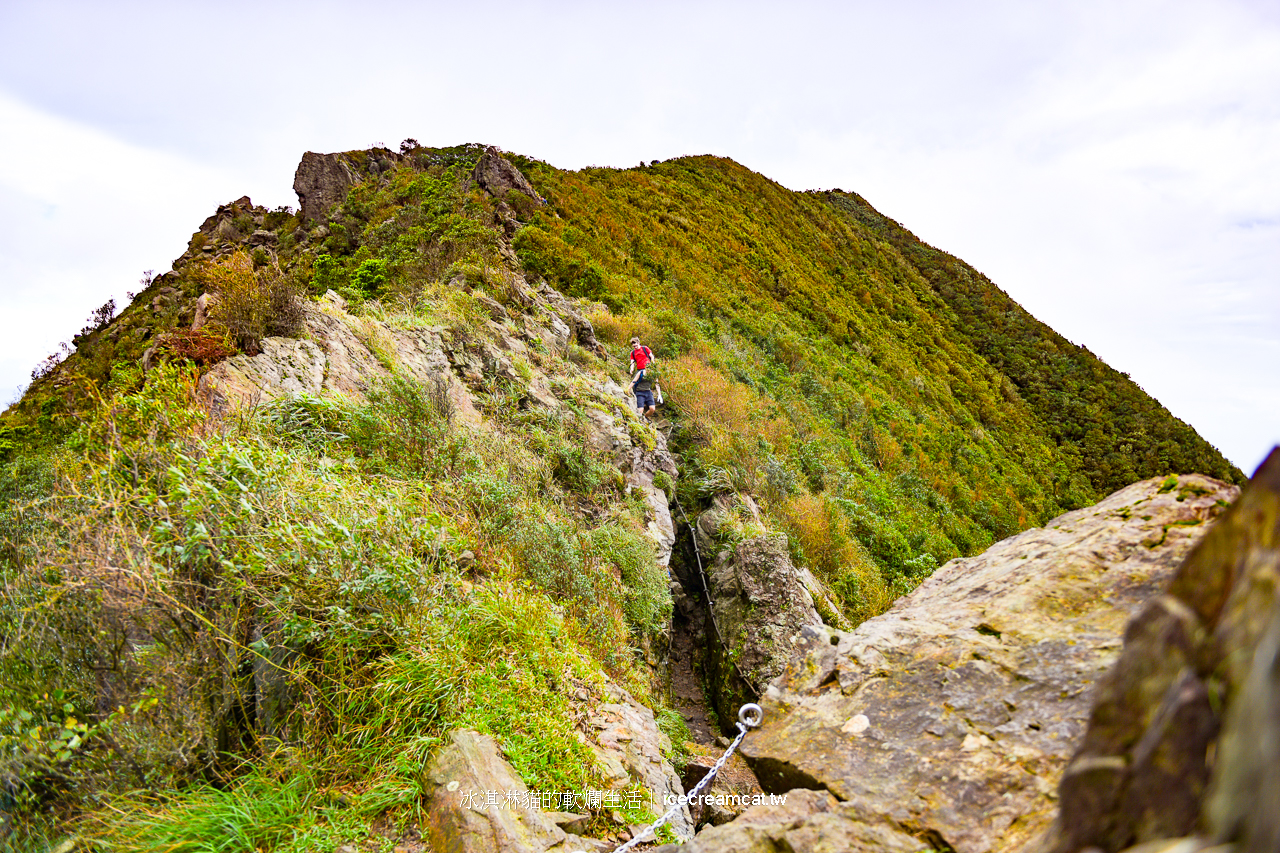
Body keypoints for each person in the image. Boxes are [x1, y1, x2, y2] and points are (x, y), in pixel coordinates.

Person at [629, 337, 657, 419]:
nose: (635, 347)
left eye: (636, 345)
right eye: (634, 346)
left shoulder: (645, 348)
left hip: (648, 368)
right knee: (636, 383)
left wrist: (652, 365)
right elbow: (632, 362)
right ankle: (637, 398)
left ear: (638, 343)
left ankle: (645, 412)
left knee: (648, 381)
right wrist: (631, 369)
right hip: (639, 369)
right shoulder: (633, 353)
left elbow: (651, 356)